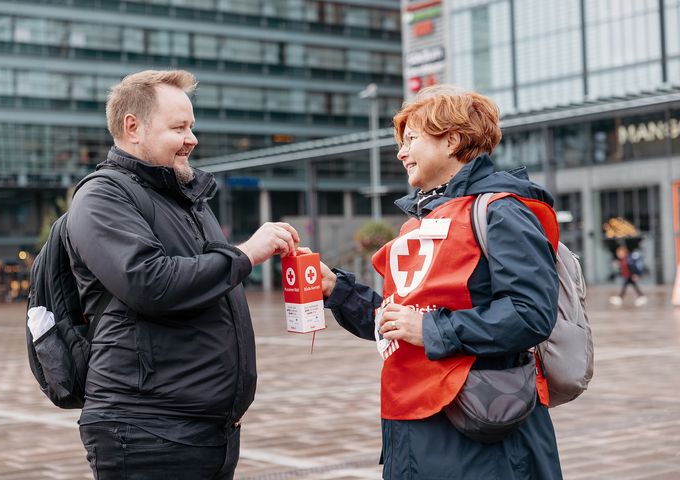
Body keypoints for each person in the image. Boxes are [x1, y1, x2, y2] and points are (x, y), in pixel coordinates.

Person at [316, 85, 563, 478]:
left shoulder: (501, 213)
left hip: (480, 435)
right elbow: (401, 323)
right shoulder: (422, 222)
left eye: (411, 139)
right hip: (413, 428)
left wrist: (430, 327)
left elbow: (530, 314)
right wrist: (338, 291)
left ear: (451, 140)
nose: (400, 152)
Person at [65, 70, 299, 480]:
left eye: (191, 126)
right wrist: (244, 254)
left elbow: (201, 281)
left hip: (203, 430)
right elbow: (149, 282)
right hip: (147, 431)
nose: (193, 138)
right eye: (179, 127)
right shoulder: (102, 195)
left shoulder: (184, 199)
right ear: (133, 127)